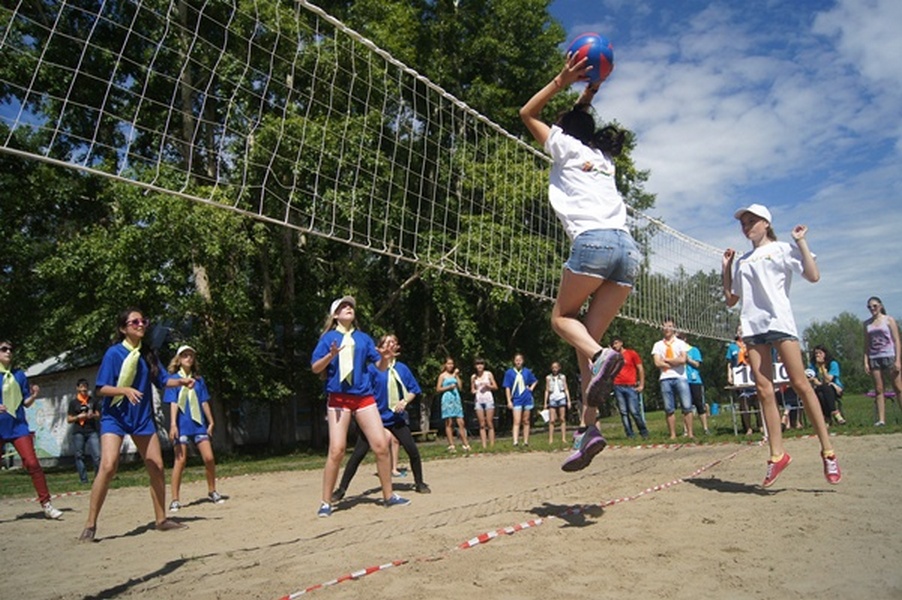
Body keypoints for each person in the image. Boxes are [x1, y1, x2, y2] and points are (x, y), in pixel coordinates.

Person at [520, 53, 639, 472]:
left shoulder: (565, 147)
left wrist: (562, 79)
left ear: (563, 131)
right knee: (582, 346)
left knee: (561, 320)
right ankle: (589, 430)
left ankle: (603, 355)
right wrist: (589, 92)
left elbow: (526, 112)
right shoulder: (603, 161)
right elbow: (579, 121)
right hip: (628, 252)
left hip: (594, 245)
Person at [722, 204, 841, 486]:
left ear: (766, 223)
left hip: (779, 323)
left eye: (752, 220)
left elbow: (813, 275)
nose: (746, 225)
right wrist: (725, 268)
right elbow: (730, 299)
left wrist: (801, 241)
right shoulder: (744, 260)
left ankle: (828, 452)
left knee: (800, 384)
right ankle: (777, 456)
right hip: (753, 327)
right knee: (764, 391)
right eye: (744, 222)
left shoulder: (783, 248)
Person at [79, 308, 196, 541]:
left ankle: (161, 520)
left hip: (141, 418)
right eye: (135, 322)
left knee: (157, 466)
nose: (141, 324)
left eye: (143, 320)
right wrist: (124, 390)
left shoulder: (148, 355)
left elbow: (163, 380)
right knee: (109, 466)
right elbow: (101, 389)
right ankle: (90, 525)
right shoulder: (114, 354)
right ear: (123, 328)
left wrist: (182, 380)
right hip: (115, 417)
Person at [310, 296, 408, 517]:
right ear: (335, 315)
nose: (348, 308)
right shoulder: (328, 339)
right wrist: (330, 356)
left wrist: (385, 357)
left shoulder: (363, 338)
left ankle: (389, 496)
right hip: (339, 399)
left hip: (363, 397)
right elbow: (316, 368)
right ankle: (326, 502)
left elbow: (380, 367)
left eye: (351, 306)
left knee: (381, 445)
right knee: (337, 450)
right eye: (343, 306)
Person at [333, 334, 431, 500]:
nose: (390, 345)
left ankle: (419, 483)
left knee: (412, 450)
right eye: (387, 342)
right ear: (380, 348)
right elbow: (363, 392)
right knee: (358, 454)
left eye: (393, 342)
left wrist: (405, 401)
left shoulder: (402, 368)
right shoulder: (372, 369)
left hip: (395, 418)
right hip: (374, 418)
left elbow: (413, 389)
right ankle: (341, 489)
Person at [0, 340, 63, 519]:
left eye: (11, 349)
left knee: (33, 463)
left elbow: (25, 402)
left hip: (18, 426)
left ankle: (47, 504)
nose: (8, 352)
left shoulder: (19, 375)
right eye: (4, 349)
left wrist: (34, 395)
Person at [165, 345, 225, 512]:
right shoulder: (174, 380)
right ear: (178, 359)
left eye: (191, 355)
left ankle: (212, 490)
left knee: (209, 458)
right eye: (185, 355)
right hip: (182, 425)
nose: (188, 358)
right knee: (180, 460)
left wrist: (211, 421)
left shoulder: (199, 380)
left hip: (198, 423)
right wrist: (173, 425)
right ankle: (175, 499)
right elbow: (173, 403)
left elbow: (204, 401)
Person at [651, 320, 695, 440]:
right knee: (669, 408)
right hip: (665, 378)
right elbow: (657, 362)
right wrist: (673, 361)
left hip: (680, 377)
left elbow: (682, 360)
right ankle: (673, 435)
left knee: (687, 406)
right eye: (665, 326)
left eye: (670, 326)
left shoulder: (681, 343)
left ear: (674, 328)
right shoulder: (657, 345)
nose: (667, 328)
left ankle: (690, 434)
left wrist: (666, 360)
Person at [863, 296, 902, 426]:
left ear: (880, 306)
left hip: (889, 355)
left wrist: (898, 360)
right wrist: (866, 361)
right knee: (879, 389)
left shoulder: (889, 320)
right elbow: (866, 344)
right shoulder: (867, 324)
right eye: (869, 307)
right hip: (874, 357)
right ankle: (881, 420)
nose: (872, 309)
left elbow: (896, 340)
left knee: (898, 387)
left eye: (874, 306)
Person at [726, 326, 761, 435]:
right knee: (744, 402)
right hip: (740, 376)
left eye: (743, 329)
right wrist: (729, 376)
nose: (741, 332)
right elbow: (729, 363)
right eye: (739, 330)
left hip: (753, 375)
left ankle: (761, 425)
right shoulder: (732, 347)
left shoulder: (752, 343)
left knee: (758, 401)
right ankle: (748, 427)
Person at [611, 337, 648, 439]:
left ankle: (643, 432)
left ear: (621, 343)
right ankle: (629, 434)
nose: (615, 346)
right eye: (613, 344)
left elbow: (640, 368)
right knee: (623, 412)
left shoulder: (631, 354)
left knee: (634, 411)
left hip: (630, 385)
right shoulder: (613, 357)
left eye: (616, 343)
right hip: (618, 385)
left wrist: (641, 384)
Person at [67, 378, 102, 484]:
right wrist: (79, 417)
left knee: (97, 456)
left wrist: (93, 415)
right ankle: (84, 480)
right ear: (77, 388)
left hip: (91, 430)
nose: (84, 389)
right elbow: (69, 419)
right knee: (79, 456)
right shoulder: (73, 403)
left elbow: (99, 415)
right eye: (81, 387)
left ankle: (98, 479)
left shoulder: (92, 401)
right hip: (78, 431)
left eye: (85, 387)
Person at [503, 353, 538, 447]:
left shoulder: (527, 371)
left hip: (526, 398)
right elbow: (507, 387)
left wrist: (531, 388)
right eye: (516, 360)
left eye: (520, 360)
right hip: (516, 398)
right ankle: (515, 441)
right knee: (516, 420)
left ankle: (526, 441)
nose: (518, 362)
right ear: (514, 361)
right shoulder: (509, 373)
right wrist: (509, 401)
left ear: (523, 361)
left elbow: (534, 380)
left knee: (526, 420)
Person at [436, 357, 470, 453]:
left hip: (456, 399)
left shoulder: (455, 375)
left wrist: (456, 376)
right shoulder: (442, 376)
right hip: (447, 399)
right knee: (449, 422)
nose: (450, 365)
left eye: (452, 364)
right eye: (448, 363)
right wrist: (448, 387)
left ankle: (465, 443)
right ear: (445, 365)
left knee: (460, 422)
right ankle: (451, 444)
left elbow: (460, 386)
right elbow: (438, 389)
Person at [807, 345, 846, 426]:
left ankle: (828, 417)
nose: (817, 355)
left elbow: (828, 380)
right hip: (820, 388)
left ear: (825, 354)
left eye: (820, 353)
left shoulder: (833, 364)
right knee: (821, 392)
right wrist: (816, 381)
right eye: (816, 353)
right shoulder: (813, 366)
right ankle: (835, 413)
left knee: (826, 387)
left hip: (835, 389)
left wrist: (822, 367)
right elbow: (813, 381)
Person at [680, 333, 710, 435]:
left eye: (681, 337)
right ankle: (686, 430)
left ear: (685, 338)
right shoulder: (677, 351)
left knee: (699, 404)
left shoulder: (694, 350)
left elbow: (697, 364)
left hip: (694, 380)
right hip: (682, 380)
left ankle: (705, 428)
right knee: (685, 406)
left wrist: (688, 360)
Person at [470, 358, 498, 449]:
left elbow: (495, 387)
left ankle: (492, 445)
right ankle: (484, 445)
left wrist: (488, 386)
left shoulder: (488, 374)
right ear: (475, 366)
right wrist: (473, 391)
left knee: (489, 422)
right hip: (478, 401)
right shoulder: (473, 377)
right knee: (481, 424)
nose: (479, 366)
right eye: (478, 364)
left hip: (488, 400)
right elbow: (472, 389)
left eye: (481, 364)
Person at [543, 361, 572, 444]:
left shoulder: (562, 377)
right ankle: (551, 439)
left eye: (556, 367)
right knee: (552, 420)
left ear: (559, 368)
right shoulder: (548, 378)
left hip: (561, 397)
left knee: (562, 418)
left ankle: (563, 438)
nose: (554, 369)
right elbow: (547, 390)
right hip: (552, 398)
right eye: (553, 368)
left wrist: (568, 400)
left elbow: (566, 388)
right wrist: (545, 402)